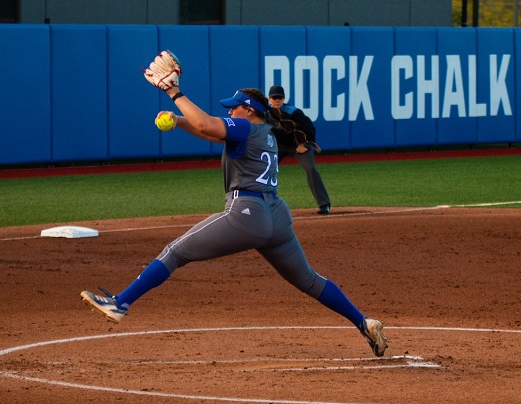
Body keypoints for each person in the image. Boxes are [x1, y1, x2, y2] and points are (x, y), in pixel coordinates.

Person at [80, 57, 387, 358]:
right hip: (277, 216)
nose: (229, 110)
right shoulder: (264, 132)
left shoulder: (247, 128)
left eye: (233, 107)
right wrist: (179, 120)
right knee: (308, 279)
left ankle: (120, 303)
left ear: (249, 110)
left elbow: (207, 123)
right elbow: (206, 129)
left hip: (247, 213)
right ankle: (363, 322)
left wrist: (174, 93)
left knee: (175, 252)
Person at [268, 85, 332, 215]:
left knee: (311, 169)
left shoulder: (293, 112)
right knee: (266, 169)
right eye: (274, 97)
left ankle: (324, 204)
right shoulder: (266, 114)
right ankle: (265, 204)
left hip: (299, 144)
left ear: (284, 98)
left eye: (279, 97)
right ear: (269, 99)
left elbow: (310, 128)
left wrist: (303, 143)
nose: (277, 100)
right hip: (279, 146)